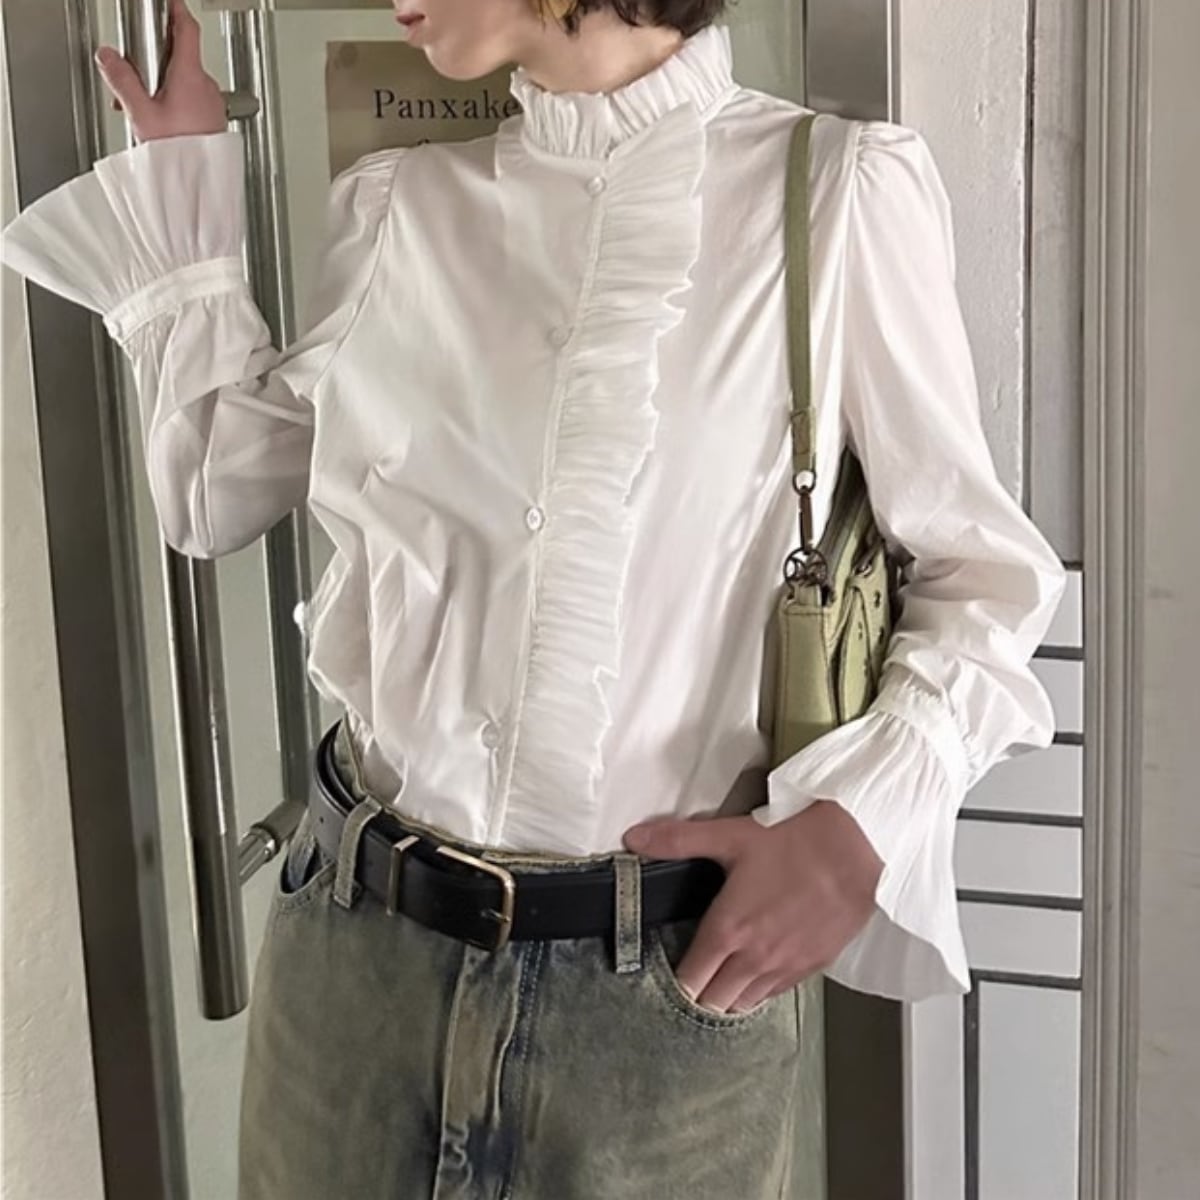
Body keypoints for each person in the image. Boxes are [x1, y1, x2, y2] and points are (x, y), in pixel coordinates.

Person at [0, 0, 1067, 1195]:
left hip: (660, 1006)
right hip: (352, 966)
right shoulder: (401, 202)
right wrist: (184, 175)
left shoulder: (833, 192)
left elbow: (983, 575)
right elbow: (216, 491)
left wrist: (858, 824)